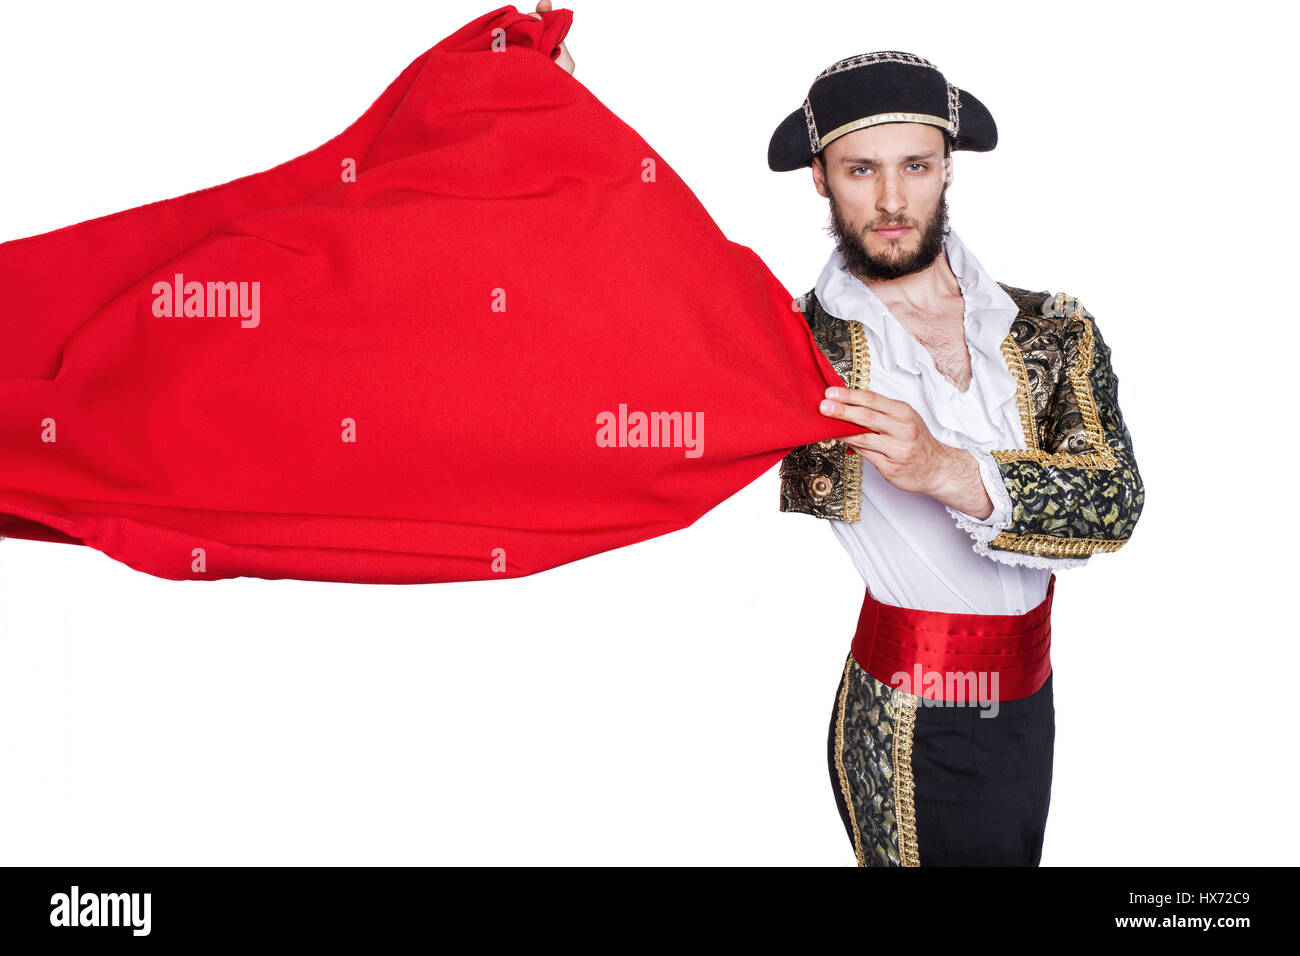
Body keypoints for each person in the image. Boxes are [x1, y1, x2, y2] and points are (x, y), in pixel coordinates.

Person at [770, 52, 1145, 865]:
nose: (894, 199)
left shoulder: (1052, 327)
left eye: (916, 165)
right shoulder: (789, 346)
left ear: (949, 167)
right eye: (861, 169)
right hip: (906, 717)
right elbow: (620, 325)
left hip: (1029, 701)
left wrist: (944, 467)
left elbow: (1115, 505)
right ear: (820, 178)